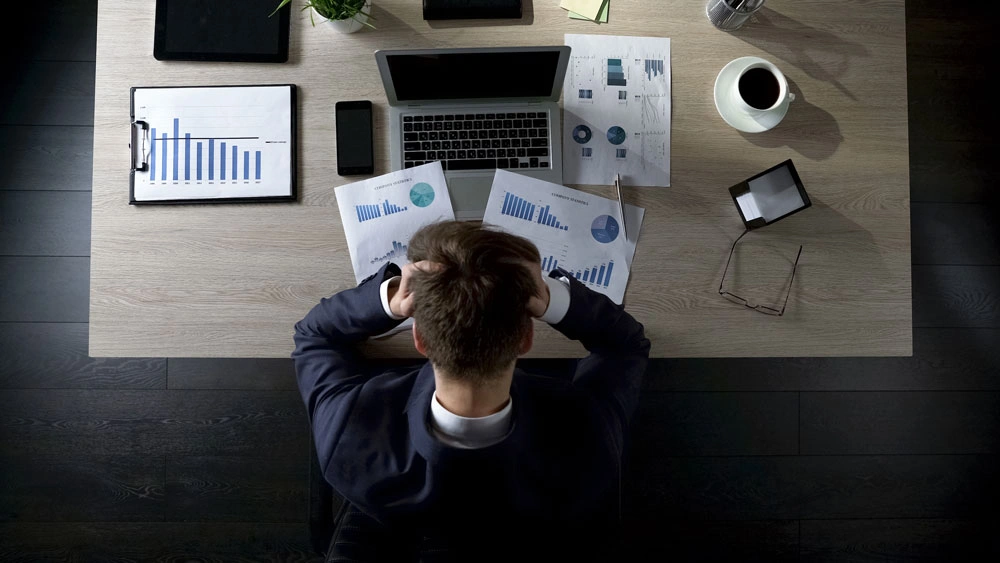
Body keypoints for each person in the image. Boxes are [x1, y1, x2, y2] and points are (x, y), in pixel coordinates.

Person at [292, 220, 649, 559]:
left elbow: (314, 335)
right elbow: (626, 345)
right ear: (526, 338)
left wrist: (389, 299)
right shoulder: (590, 441)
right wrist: (553, 299)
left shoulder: (348, 432)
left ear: (419, 339)